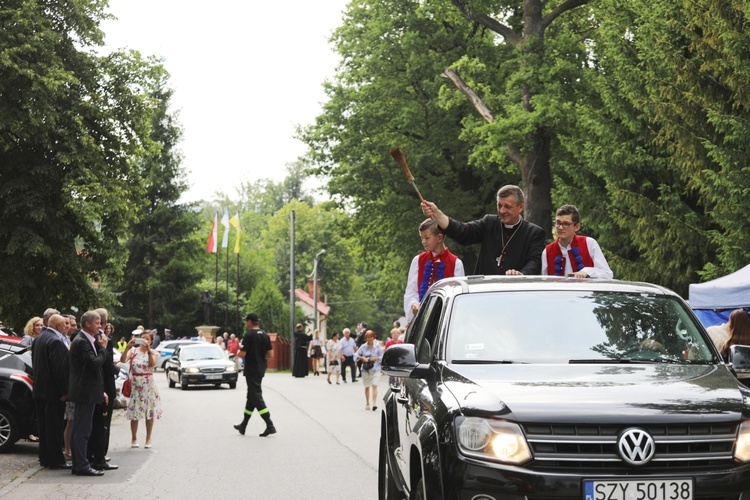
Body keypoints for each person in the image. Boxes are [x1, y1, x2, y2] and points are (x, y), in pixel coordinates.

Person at [421, 184, 545, 275]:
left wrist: (521, 274)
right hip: (484, 294)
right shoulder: (489, 223)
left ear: (520, 207)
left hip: (515, 296)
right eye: (499, 205)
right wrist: (437, 214)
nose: (502, 211)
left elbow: (535, 262)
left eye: (507, 206)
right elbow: (463, 232)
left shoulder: (534, 233)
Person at [68, 310, 108, 476]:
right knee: (82, 430)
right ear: (87, 324)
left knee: (80, 429)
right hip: (85, 391)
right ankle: (82, 465)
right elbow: (94, 364)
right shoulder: (82, 341)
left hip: (87, 390)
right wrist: (103, 349)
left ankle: (79, 464)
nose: (100, 326)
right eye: (98, 323)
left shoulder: (85, 339)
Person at [404, 219, 466, 324]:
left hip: (445, 321)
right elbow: (411, 291)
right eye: (421, 238)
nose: (423, 242)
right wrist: (413, 303)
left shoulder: (456, 263)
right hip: (421, 320)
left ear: (439, 238)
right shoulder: (418, 260)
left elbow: (459, 297)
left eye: (427, 238)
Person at [31, 313, 70, 469]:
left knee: (43, 427)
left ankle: (45, 457)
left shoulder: (39, 339)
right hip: (53, 393)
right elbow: (59, 370)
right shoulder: (55, 341)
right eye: (63, 325)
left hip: (40, 390)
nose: (65, 328)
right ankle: (55, 460)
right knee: (54, 427)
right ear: (58, 326)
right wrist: (64, 391)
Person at [541, 205, 613, 278]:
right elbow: (544, 281)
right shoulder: (547, 251)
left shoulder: (589, 243)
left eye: (566, 224)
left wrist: (587, 272)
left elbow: (607, 274)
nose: (560, 227)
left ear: (577, 227)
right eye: (558, 223)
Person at [234, 313, 276, 437]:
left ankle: (270, 425)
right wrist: (260, 357)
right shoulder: (265, 335)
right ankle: (244, 425)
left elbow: (242, 354)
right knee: (251, 396)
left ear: (250, 321)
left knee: (256, 396)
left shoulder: (248, 335)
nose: (246, 323)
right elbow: (270, 355)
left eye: (247, 321)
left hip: (251, 369)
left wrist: (237, 351)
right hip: (261, 369)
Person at [87, 308, 119, 471]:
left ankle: (94, 455)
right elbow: (105, 364)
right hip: (104, 386)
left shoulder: (89, 338)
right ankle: (100, 457)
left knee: (96, 424)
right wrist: (117, 370)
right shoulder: (104, 341)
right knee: (103, 425)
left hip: (97, 387)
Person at [120, 331, 162, 448]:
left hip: (149, 385)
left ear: (151, 341)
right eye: (142, 338)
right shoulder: (133, 351)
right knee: (135, 413)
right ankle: (134, 437)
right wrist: (128, 347)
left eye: (147, 339)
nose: (144, 341)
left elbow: (151, 364)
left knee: (149, 412)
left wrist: (148, 350)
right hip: (136, 384)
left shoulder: (154, 352)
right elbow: (123, 360)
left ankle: (148, 438)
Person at [356, 330, 384, 411]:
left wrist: (375, 358)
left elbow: (382, 356)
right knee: (367, 387)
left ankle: (374, 403)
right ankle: (367, 403)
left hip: (376, 368)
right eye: (368, 337)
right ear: (365, 338)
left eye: (371, 337)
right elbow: (356, 355)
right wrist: (362, 358)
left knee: (374, 385)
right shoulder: (363, 346)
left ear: (373, 337)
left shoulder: (378, 346)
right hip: (366, 369)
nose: (370, 338)